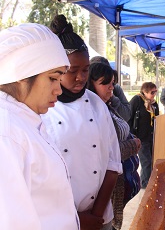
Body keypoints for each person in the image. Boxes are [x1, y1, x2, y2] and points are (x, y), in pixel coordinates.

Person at [41, 14, 122, 230]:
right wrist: (74, 219)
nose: (80, 77)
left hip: (99, 217)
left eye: (85, 70)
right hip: (59, 220)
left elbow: (113, 164)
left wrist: (95, 216)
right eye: (72, 71)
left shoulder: (96, 104)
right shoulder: (42, 108)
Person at [0, 23, 79, 230]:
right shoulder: (7, 133)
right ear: (23, 75)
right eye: (53, 78)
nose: (59, 90)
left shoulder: (25, 119)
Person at [87, 62, 141, 230]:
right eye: (105, 83)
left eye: (113, 83)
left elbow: (125, 117)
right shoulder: (91, 112)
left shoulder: (107, 105)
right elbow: (107, 151)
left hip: (120, 183)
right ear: (91, 84)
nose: (111, 87)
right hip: (108, 189)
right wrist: (132, 145)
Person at [128, 82, 159, 189]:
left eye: (156, 91)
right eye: (152, 92)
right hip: (140, 138)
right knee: (146, 163)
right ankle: (146, 187)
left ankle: (146, 183)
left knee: (151, 161)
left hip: (151, 137)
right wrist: (132, 136)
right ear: (145, 92)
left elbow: (157, 118)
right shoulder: (137, 100)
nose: (154, 94)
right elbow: (129, 116)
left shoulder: (154, 103)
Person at [90, 56, 131, 121]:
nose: (111, 87)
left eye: (111, 82)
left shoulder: (116, 89)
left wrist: (112, 98)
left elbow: (127, 115)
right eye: (105, 82)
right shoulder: (85, 102)